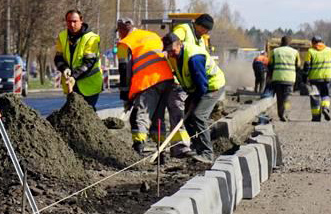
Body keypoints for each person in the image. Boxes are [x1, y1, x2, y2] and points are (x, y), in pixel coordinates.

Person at [115, 18, 177, 155]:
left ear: (121, 30)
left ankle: (138, 148)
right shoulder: (152, 35)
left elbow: (124, 70)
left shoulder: (125, 43)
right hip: (166, 79)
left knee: (140, 115)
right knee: (158, 117)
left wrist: (125, 95)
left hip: (148, 81)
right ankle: (162, 151)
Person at [163, 33, 227, 163]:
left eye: (172, 50)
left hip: (212, 86)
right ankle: (198, 149)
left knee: (198, 116)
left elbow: (202, 86)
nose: (170, 54)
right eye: (168, 51)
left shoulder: (194, 58)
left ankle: (207, 153)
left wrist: (193, 102)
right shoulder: (175, 57)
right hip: (196, 89)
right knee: (187, 118)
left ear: (180, 44)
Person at [54, 10, 103, 108]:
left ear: (81, 21)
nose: (72, 24)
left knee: (88, 111)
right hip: (71, 84)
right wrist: (64, 68)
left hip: (90, 85)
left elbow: (89, 62)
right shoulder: (62, 36)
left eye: (75, 21)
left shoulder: (91, 38)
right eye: (69, 21)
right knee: (74, 111)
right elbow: (58, 58)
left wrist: (74, 76)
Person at [303, 36, 331, 122]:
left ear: (313, 42)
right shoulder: (329, 50)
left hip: (314, 79)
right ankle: (325, 108)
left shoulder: (310, 51)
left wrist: (304, 77)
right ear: (322, 42)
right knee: (325, 95)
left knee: (315, 96)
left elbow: (307, 66)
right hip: (327, 78)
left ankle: (316, 117)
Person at [269, 36, 301, 122]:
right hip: (290, 78)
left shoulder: (275, 51)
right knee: (288, 97)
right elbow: (298, 66)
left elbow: (270, 65)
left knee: (279, 97)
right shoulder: (295, 52)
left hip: (277, 78)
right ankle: (285, 113)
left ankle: (280, 114)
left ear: (281, 41)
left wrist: (270, 77)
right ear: (289, 42)